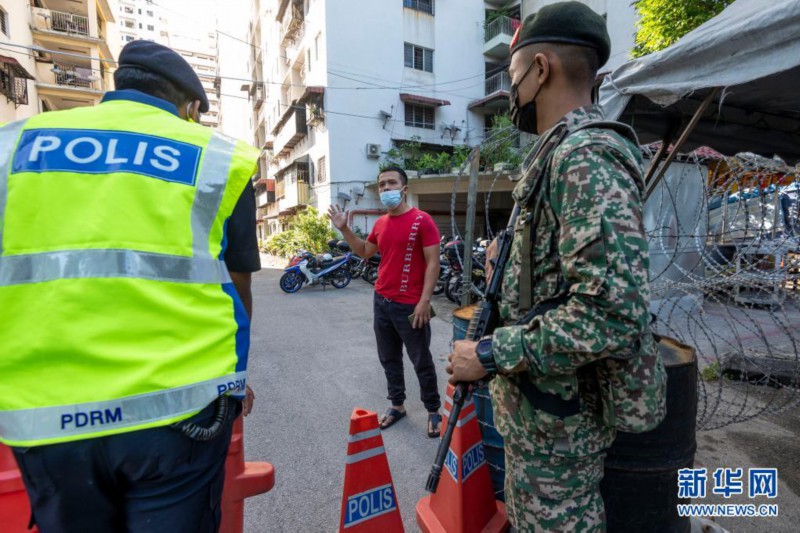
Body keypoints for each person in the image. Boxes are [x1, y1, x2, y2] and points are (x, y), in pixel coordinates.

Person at [0, 40, 261, 532]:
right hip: (178, 410)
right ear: (190, 106)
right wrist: (236, 376)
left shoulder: (15, 144)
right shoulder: (216, 158)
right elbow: (237, 286)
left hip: (47, 413)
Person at [446, 3, 667, 531]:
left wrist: (490, 353)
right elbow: (562, 279)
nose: (511, 89)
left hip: (560, 433)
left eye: (513, 73)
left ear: (539, 68)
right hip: (540, 423)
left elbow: (611, 313)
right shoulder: (556, 155)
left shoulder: (584, 157)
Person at [328, 167, 443, 438]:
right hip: (382, 302)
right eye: (381, 185)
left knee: (421, 360)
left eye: (391, 183)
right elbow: (366, 251)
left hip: (411, 306)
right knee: (389, 358)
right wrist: (344, 229)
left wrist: (425, 301)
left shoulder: (422, 221)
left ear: (404, 188)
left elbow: (433, 263)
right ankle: (397, 405)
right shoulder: (380, 224)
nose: (386, 188)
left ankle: (433, 410)